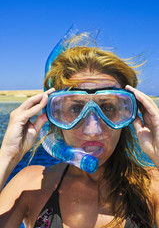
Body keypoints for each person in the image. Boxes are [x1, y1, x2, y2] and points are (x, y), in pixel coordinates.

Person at [0, 29, 159, 228]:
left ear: (128, 114)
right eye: (75, 108)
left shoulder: (151, 187)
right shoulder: (31, 186)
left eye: (108, 107)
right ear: (53, 116)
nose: (93, 130)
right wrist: (7, 156)